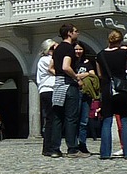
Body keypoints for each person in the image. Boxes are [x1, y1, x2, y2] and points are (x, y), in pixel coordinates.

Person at [49, 25, 89, 158]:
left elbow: (53, 68)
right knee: (71, 118)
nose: (78, 33)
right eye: (76, 31)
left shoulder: (58, 48)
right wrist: (76, 77)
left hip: (58, 84)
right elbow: (66, 67)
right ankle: (72, 148)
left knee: (57, 118)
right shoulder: (68, 48)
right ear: (69, 33)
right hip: (68, 85)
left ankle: (54, 149)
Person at [96, 29, 127, 160]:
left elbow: (100, 74)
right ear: (120, 41)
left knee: (107, 120)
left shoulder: (100, 55)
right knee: (124, 119)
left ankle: (105, 152)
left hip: (108, 88)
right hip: (122, 88)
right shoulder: (124, 53)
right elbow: (125, 68)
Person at [73, 41, 98, 154]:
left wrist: (79, 75)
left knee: (84, 120)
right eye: (76, 49)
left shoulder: (87, 62)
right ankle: (73, 143)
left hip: (86, 93)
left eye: (80, 49)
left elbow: (92, 74)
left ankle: (82, 143)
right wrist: (85, 74)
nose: (78, 51)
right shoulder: (71, 62)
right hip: (75, 92)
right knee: (74, 119)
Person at [35, 40, 57, 155]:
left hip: (48, 90)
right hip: (49, 90)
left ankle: (49, 146)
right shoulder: (46, 60)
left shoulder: (45, 60)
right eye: (53, 48)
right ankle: (48, 147)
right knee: (51, 119)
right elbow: (54, 70)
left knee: (51, 119)